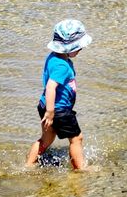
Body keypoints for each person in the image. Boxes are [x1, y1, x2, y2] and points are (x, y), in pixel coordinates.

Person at [26, 19, 92, 170]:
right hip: (58, 110)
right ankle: (80, 169)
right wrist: (51, 112)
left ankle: (28, 165)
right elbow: (51, 87)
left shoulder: (53, 58)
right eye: (79, 47)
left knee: (46, 139)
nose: (81, 50)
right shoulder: (62, 65)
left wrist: (48, 110)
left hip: (45, 105)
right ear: (69, 47)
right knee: (76, 138)